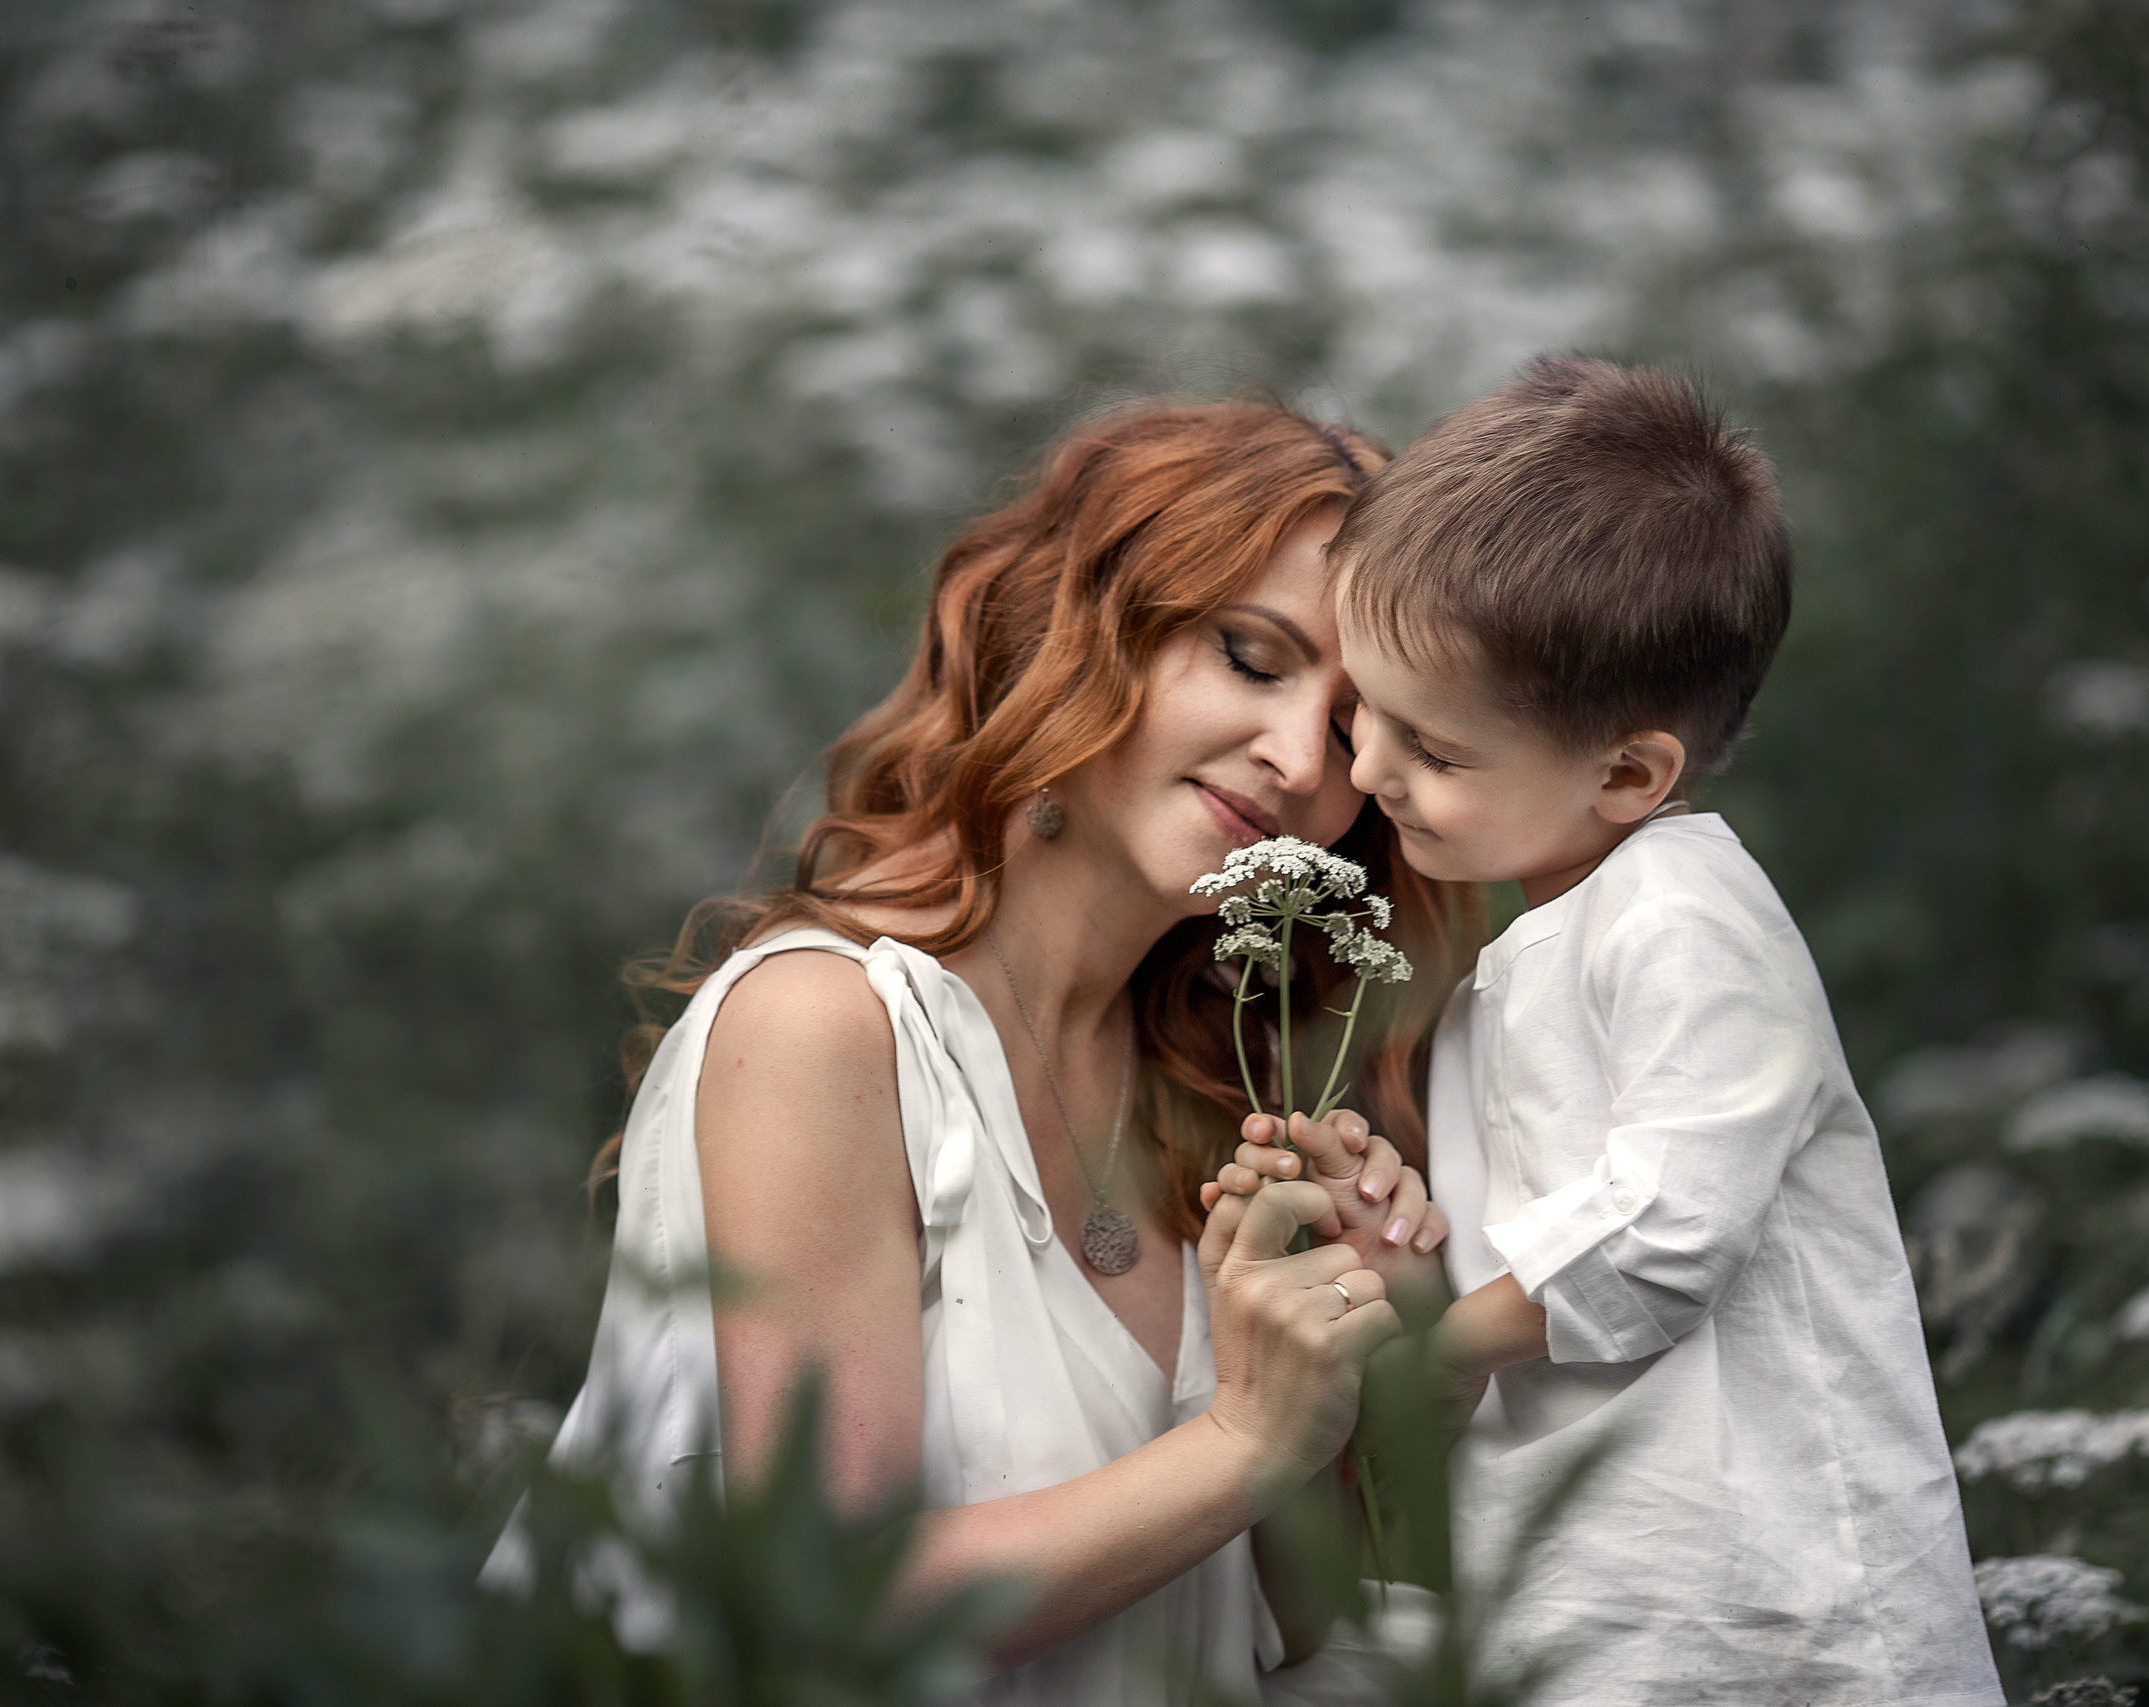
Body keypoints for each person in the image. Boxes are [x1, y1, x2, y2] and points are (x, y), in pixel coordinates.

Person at [489, 400, 1479, 1703]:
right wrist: (1242, 1437)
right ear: (1084, 634)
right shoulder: (823, 1029)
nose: (1302, 759)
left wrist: (1373, 1373)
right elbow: (819, 1609)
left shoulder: (1211, 1099)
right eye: (1250, 656)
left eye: (1355, 724)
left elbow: (1259, 1640)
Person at [1212, 358, 2004, 1704]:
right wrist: (1391, 1237)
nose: (1362, 772)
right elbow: (1531, 1246)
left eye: (1436, 752)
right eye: (1367, 719)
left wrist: (1442, 1354)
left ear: (1631, 773)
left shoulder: (1686, 915)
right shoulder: (1515, 962)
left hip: (1778, 1608)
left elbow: (1670, 1225)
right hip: (1601, 1598)